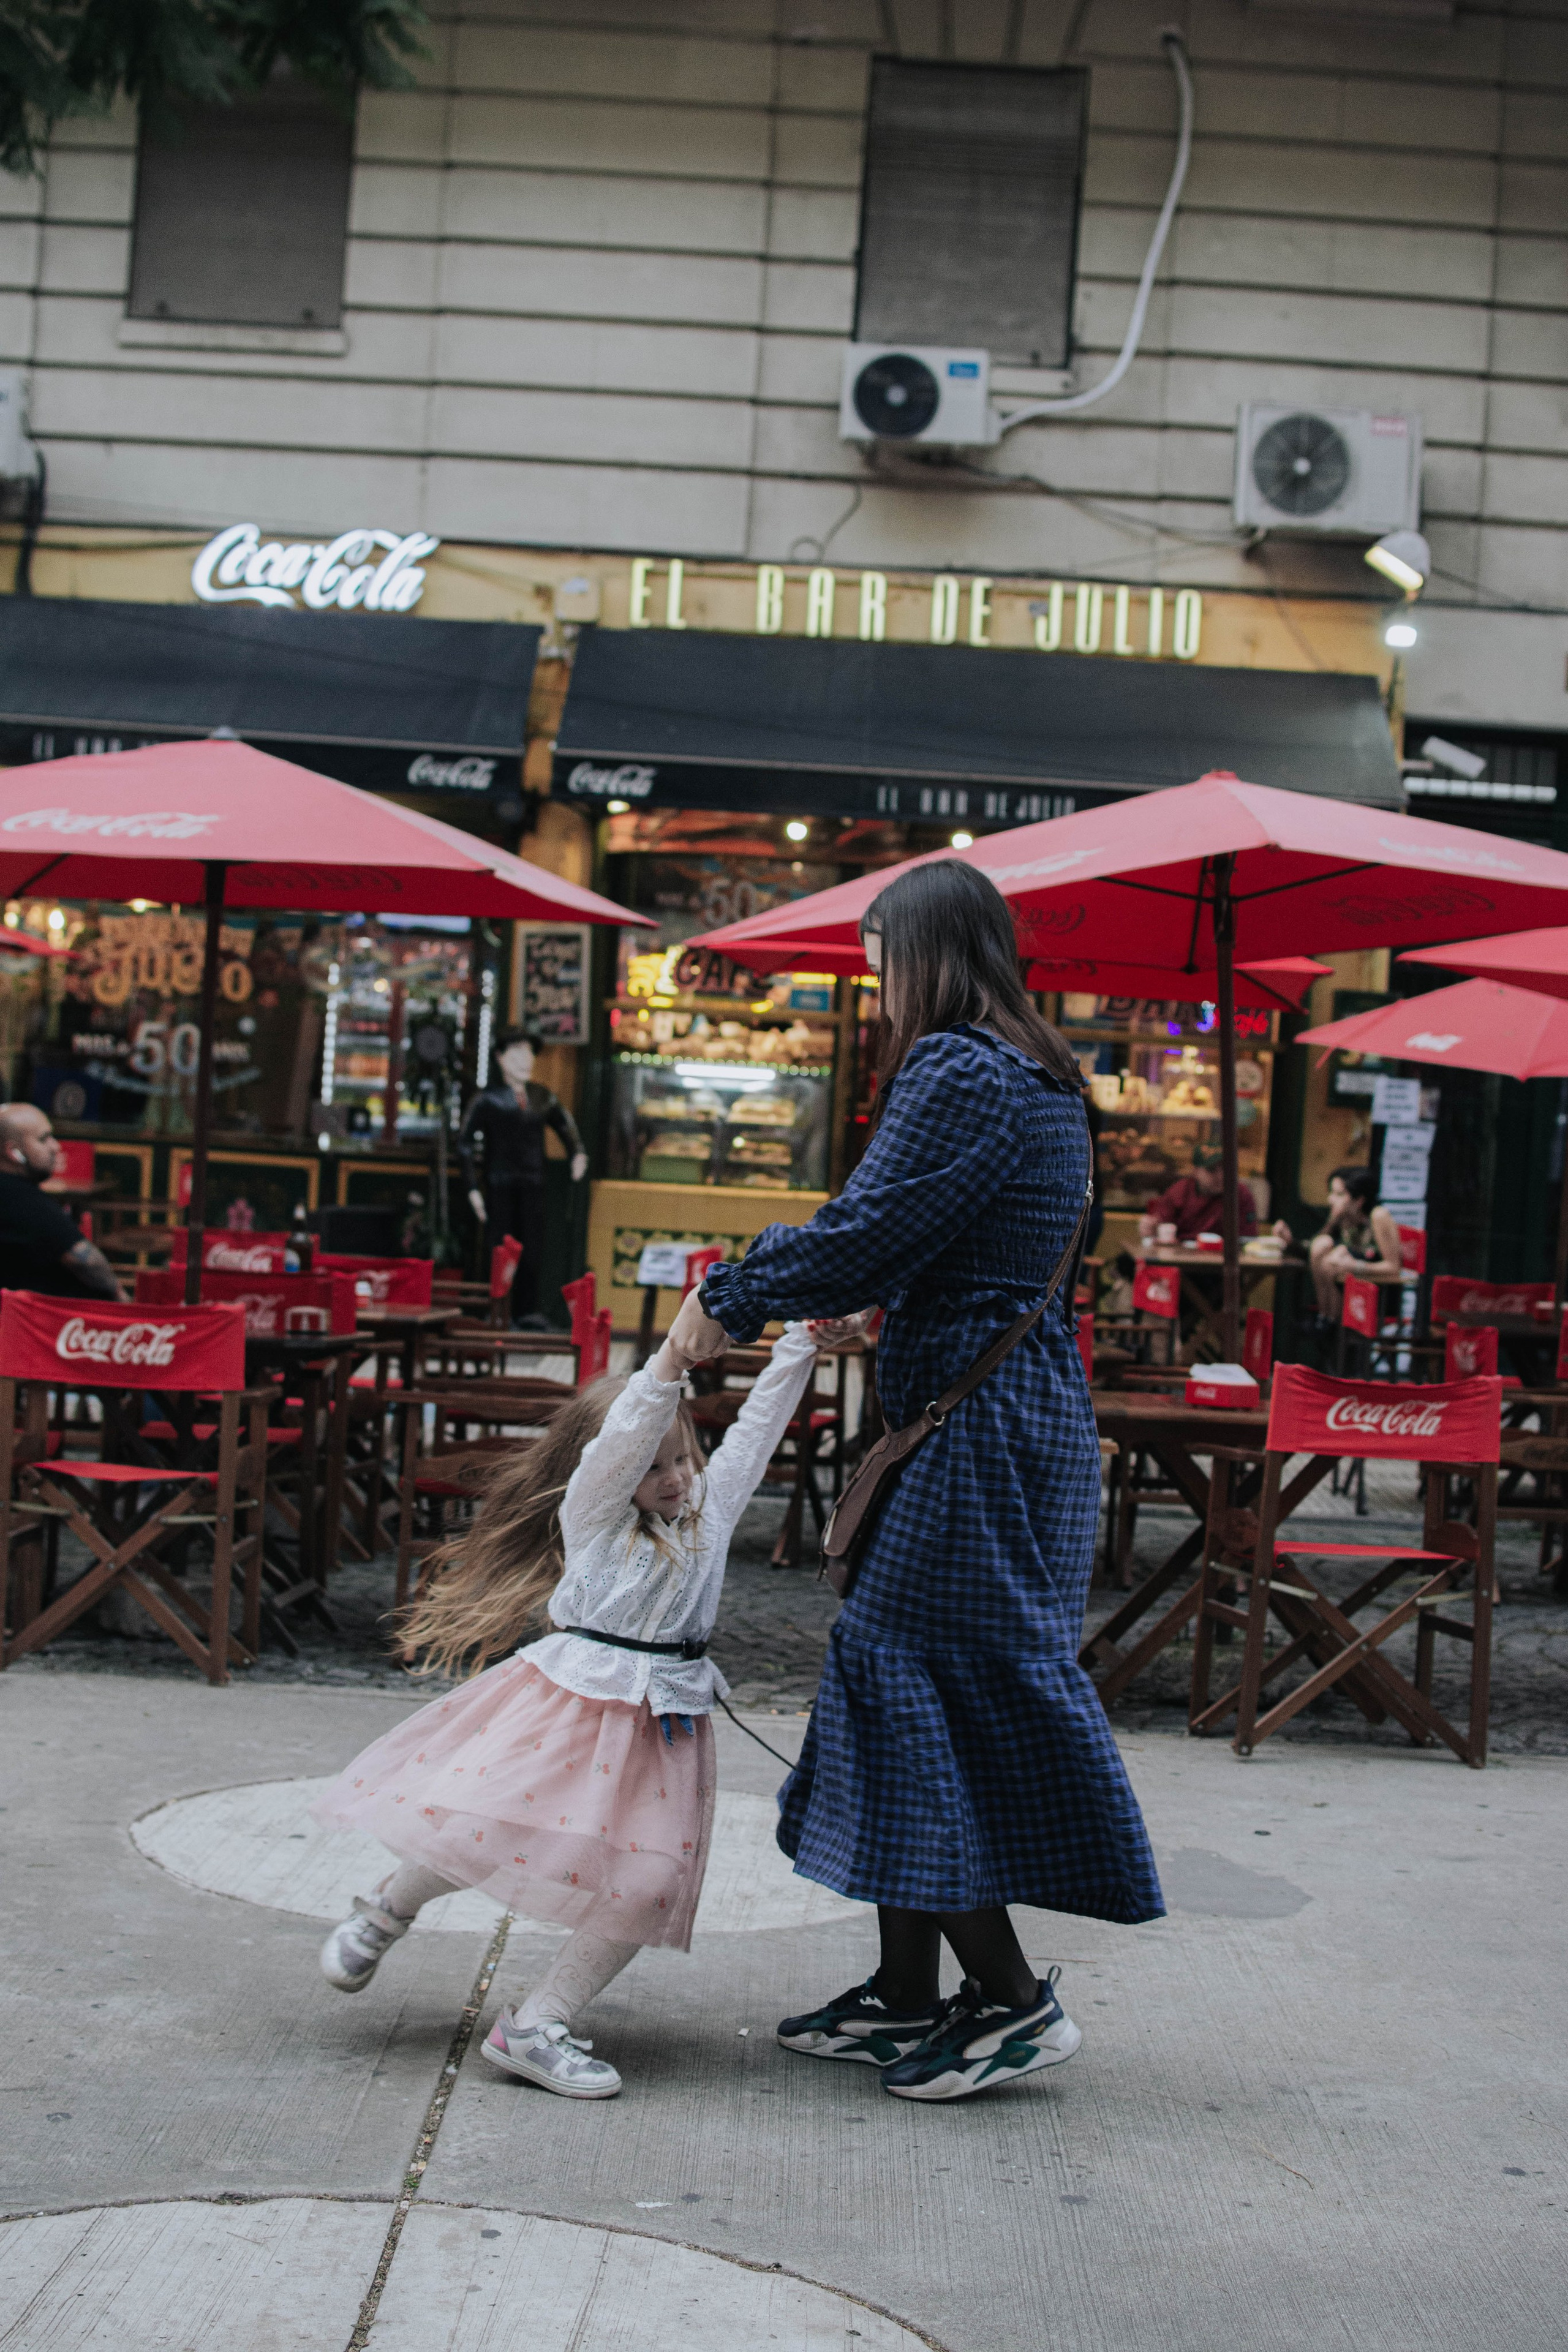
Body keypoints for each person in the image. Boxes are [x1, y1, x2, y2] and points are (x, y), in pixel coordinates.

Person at [671, 861, 1163, 2105]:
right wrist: (883, 1309)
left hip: (975, 1438)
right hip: (1013, 1417)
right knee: (906, 1685)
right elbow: (957, 1247)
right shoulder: (1046, 1078)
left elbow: (870, 1226)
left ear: (926, 957)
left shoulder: (956, 1068)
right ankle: (902, 1996)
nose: (879, 989)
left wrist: (722, 1300)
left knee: (900, 1679)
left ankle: (1007, 2004)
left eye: (882, 958)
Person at [310, 1306, 857, 2098]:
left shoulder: (709, 1509)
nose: (675, 1477)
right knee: (483, 1825)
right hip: (572, 1704)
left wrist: (803, 1341)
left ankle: (537, 2024)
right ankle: (385, 1914)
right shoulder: (595, 1515)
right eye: (655, 1465)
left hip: (665, 1721)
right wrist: (667, 1361)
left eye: (684, 1457)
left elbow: (759, 1429)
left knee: (651, 1880)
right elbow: (623, 1441)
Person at [459, 1029, 589, 1329]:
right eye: (516, 1054)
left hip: (534, 1183)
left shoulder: (541, 1096)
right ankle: (495, 1309)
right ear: (500, 1059)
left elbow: (565, 1126)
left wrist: (577, 1154)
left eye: (528, 1054)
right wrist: (472, 1190)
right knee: (499, 1249)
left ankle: (527, 1310)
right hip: (499, 1184)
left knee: (532, 1247)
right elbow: (464, 1144)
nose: (524, 1061)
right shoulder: (488, 1099)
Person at [0, 1105, 123, 1299]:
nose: (55, 1147)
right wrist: (122, 1298)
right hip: (42, 1320)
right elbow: (86, 1262)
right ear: (14, 1152)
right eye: (43, 1139)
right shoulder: (20, 1197)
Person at [1306, 1164, 1404, 1320]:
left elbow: (1394, 1267)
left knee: (1333, 1258)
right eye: (1331, 1193)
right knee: (1321, 1246)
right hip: (1352, 1288)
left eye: (1339, 1194)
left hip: (1379, 1294)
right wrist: (1290, 1242)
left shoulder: (1378, 1216)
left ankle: (1331, 1324)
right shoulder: (1345, 1217)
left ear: (1359, 1200)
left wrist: (1355, 1266)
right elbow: (1313, 1248)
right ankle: (1325, 1318)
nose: (1330, 1199)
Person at [1138, 1145, 1257, 1245]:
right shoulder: (1180, 1192)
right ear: (1195, 1171)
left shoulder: (1241, 1194)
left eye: (1226, 1169)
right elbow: (1159, 1230)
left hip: (1223, 1265)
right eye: (1212, 1170)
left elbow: (1248, 1238)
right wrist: (1150, 1229)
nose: (1221, 1176)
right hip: (1182, 1263)